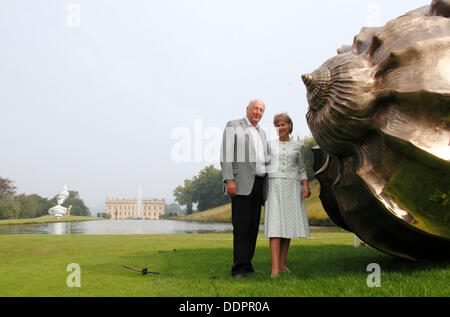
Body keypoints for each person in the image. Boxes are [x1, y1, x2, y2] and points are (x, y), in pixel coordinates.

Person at [220, 99, 269, 278]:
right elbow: (225, 154)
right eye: (255, 108)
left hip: (259, 184)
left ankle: (248, 265)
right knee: (241, 228)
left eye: (261, 110)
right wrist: (228, 179)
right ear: (247, 109)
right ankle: (238, 269)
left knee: (253, 227)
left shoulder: (262, 132)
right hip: (240, 183)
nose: (258, 112)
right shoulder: (234, 125)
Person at [264, 113, 311, 278]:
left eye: (283, 124)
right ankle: (275, 269)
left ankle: (282, 264)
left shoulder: (298, 146)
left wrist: (305, 185)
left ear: (290, 126)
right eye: (277, 125)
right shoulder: (269, 145)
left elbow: (301, 168)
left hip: (292, 186)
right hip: (274, 186)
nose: (280, 128)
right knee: (275, 228)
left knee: (288, 227)